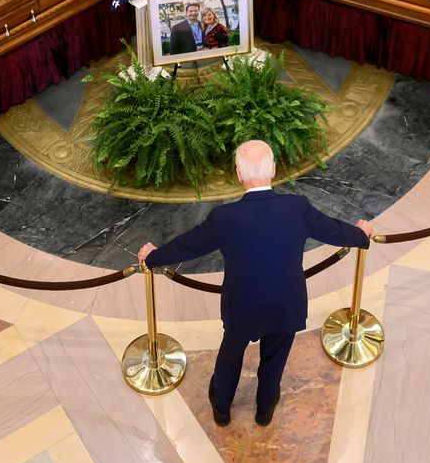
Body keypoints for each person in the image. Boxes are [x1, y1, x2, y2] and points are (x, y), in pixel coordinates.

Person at [137, 141, 374, 427]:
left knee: (230, 354)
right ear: (273, 170)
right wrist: (360, 234)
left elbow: (187, 246)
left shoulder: (224, 218)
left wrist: (153, 257)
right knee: (274, 359)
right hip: (286, 305)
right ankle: (264, 410)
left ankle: (222, 408)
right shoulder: (296, 207)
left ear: (238, 174)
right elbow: (333, 230)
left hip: (242, 308)